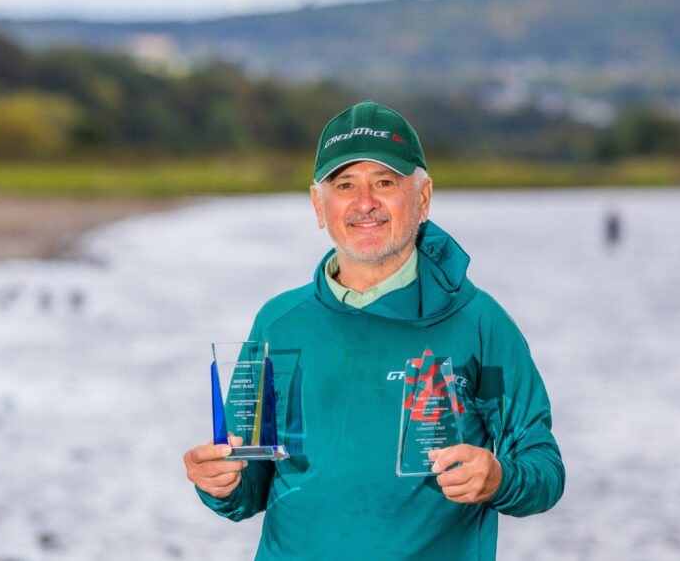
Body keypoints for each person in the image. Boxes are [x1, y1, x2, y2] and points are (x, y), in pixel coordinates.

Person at [183, 100, 565, 560]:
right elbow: (250, 483)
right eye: (345, 185)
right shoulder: (277, 323)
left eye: (384, 183)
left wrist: (499, 478)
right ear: (318, 206)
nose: (365, 204)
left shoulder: (480, 323)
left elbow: (543, 467)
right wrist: (220, 483)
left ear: (422, 199)